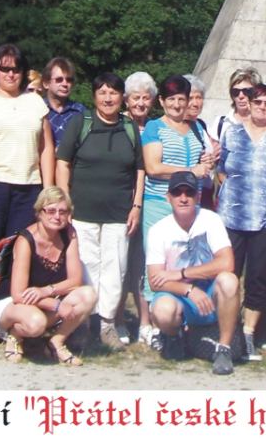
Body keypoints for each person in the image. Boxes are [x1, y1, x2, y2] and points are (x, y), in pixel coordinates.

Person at [0, 43, 55, 342]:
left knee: (19, 251)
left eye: (16, 69)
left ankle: (12, 311)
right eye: (4, 68)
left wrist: (49, 189)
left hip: (27, 185)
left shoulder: (35, 104)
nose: (10, 74)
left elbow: (46, 149)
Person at [55, 72, 143, 349]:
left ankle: (106, 324)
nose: (108, 98)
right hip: (82, 212)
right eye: (102, 92)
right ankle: (83, 323)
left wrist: (136, 205)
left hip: (119, 212)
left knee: (115, 268)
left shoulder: (128, 128)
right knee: (87, 266)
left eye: (114, 93)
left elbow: (139, 169)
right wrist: (65, 202)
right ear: (94, 96)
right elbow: (62, 163)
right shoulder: (81, 123)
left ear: (122, 98)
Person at [139, 75, 215, 344]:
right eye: (171, 99)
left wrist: (205, 162)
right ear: (161, 101)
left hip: (189, 208)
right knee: (155, 263)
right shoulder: (154, 127)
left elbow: (201, 161)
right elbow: (154, 167)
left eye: (181, 99)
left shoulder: (196, 128)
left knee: (185, 263)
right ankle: (149, 324)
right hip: (159, 204)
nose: (177, 104)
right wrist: (190, 170)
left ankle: (182, 318)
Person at [146, 171, 240, 376]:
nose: (183, 197)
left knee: (229, 281)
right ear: (168, 197)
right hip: (180, 297)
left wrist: (182, 272)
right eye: (177, 192)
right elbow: (155, 281)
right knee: (161, 309)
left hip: (210, 292)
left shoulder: (211, 220)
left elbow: (227, 262)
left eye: (189, 192)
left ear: (197, 196)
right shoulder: (157, 231)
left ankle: (224, 349)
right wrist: (188, 289)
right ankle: (174, 336)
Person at [216, 83, 266, 358]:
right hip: (231, 217)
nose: (262, 107)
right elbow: (221, 170)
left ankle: (248, 333)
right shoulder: (231, 133)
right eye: (258, 102)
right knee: (229, 276)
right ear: (249, 103)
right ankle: (225, 332)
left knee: (258, 278)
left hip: (263, 218)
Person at [0, 187, 97, 366]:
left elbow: (76, 280)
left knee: (88, 295)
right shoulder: (26, 240)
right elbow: (18, 294)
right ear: (39, 213)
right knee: (37, 323)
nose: (56, 216)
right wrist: (57, 304)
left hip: (45, 297)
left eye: (62, 211)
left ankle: (56, 342)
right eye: (50, 210)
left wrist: (46, 291)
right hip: (15, 303)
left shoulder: (69, 233)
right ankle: (15, 334)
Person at [120, 71, 157, 346]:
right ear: (126, 100)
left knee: (143, 265)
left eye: (146, 97)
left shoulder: (156, 128)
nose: (141, 103)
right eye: (136, 97)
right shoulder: (117, 124)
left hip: (151, 204)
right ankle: (117, 318)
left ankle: (146, 321)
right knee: (120, 265)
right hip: (121, 203)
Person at [42, 56, 85, 144]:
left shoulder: (80, 111)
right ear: (46, 83)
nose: (65, 84)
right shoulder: (37, 110)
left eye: (69, 80)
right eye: (59, 79)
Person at [212, 66, 261, 142]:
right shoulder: (221, 123)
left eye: (247, 91)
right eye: (235, 92)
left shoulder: (265, 123)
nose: (241, 96)